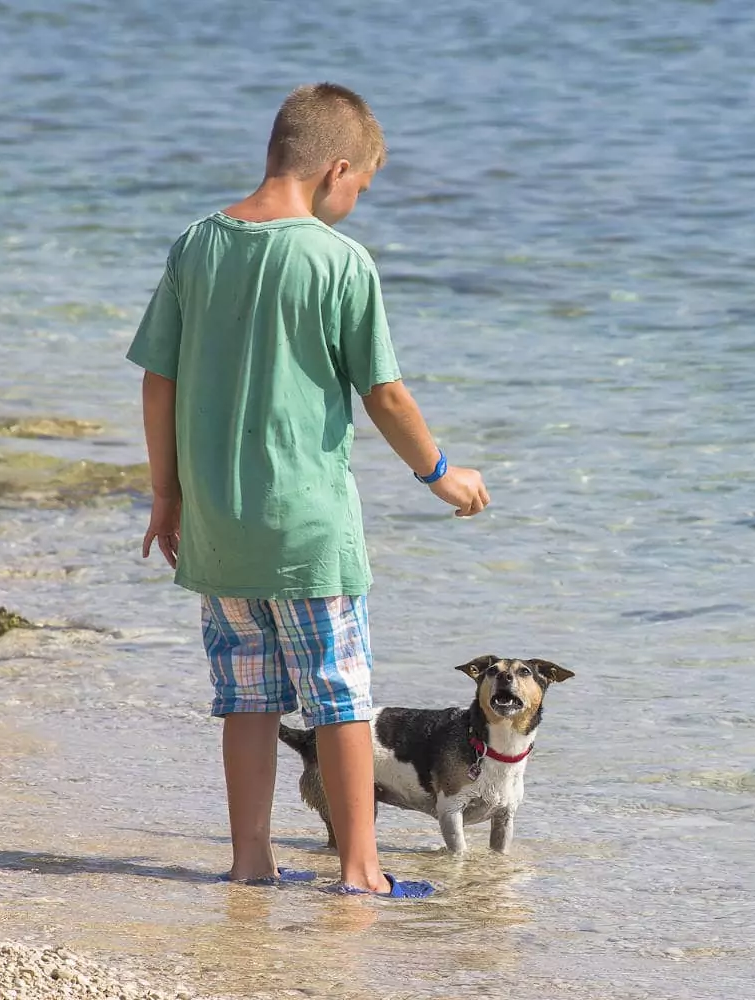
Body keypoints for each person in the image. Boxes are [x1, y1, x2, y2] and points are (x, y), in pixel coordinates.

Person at [127, 82, 489, 898]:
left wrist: (167, 495)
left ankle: (250, 861)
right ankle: (361, 871)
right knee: (341, 699)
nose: (357, 201)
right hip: (309, 533)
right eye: (362, 183)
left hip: (218, 525)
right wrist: (441, 474)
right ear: (335, 168)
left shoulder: (196, 244)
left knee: (246, 699)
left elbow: (159, 378)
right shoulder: (339, 261)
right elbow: (386, 395)